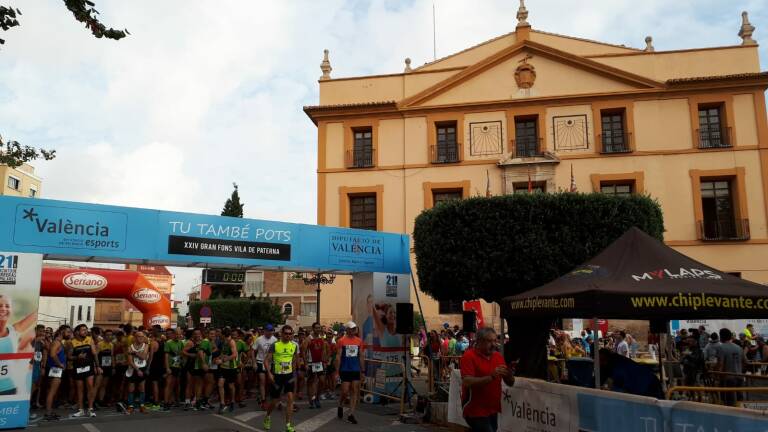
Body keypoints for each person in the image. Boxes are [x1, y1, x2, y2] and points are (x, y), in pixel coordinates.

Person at [460, 327, 514, 432]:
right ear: (479, 342)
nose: (494, 344)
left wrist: (509, 374)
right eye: (489, 341)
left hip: (493, 409)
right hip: (474, 410)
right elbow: (467, 382)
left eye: (495, 340)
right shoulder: (469, 356)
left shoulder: (498, 357)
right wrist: (491, 377)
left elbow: (510, 382)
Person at [263, 325, 298, 432]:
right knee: (275, 401)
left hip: (289, 376)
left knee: (290, 399)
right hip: (277, 376)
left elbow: (294, 361)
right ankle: (268, 416)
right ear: (281, 334)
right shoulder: (275, 345)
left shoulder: (294, 346)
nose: (288, 336)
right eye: (286, 334)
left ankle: (288, 425)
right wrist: (269, 374)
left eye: (290, 334)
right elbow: (266, 361)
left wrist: (294, 374)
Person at [335, 321, 364, 425]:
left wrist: (363, 370)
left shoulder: (359, 341)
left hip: (355, 369)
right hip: (345, 369)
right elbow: (338, 357)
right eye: (351, 329)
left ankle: (351, 414)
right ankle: (340, 404)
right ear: (346, 330)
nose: (353, 330)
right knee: (345, 391)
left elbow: (360, 356)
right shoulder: (341, 341)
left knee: (354, 390)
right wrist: (337, 372)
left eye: (354, 328)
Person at [69, 324, 101, 418]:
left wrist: (98, 366)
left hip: (89, 367)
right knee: (80, 389)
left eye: (86, 330)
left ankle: (90, 409)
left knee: (90, 387)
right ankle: (81, 410)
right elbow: (69, 356)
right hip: (78, 368)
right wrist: (76, 357)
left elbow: (94, 354)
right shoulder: (72, 342)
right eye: (83, 330)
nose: (85, 331)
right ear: (78, 332)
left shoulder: (89, 340)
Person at [44, 325, 71, 422]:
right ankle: (48, 413)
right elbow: (52, 354)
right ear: (62, 331)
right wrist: (60, 364)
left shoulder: (58, 342)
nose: (69, 334)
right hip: (55, 369)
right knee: (52, 392)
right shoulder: (56, 342)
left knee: (52, 391)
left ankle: (49, 411)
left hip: (55, 369)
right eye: (68, 332)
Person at [718, 328, 746, 406]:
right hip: (739, 377)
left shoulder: (721, 347)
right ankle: (741, 416)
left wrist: (718, 376)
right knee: (740, 399)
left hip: (728, 378)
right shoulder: (739, 347)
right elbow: (745, 361)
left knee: (728, 402)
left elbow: (721, 364)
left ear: (721, 336)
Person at [252, 324, 277, 409]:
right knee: (262, 381)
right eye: (268, 330)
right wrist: (254, 362)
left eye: (271, 331)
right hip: (260, 362)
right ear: (265, 331)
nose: (270, 332)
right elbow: (253, 351)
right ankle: (263, 401)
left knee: (269, 382)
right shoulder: (259, 339)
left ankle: (264, 396)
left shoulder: (275, 340)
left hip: (271, 363)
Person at [124, 331, 150, 414]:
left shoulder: (146, 346)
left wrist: (134, 353)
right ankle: (130, 406)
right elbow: (130, 361)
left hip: (142, 368)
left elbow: (144, 357)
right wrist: (137, 370)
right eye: (139, 337)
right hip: (133, 369)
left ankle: (142, 406)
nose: (141, 338)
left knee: (142, 388)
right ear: (135, 337)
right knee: (131, 389)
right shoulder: (130, 347)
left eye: (142, 337)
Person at [304, 322, 328, 409]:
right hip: (311, 363)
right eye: (316, 328)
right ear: (313, 329)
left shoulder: (321, 338)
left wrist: (324, 362)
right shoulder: (308, 339)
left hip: (319, 363)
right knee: (312, 381)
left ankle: (317, 397)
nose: (318, 329)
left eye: (319, 328)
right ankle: (312, 400)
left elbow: (324, 351)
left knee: (322, 381)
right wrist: (306, 363)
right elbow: (303, 351)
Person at [216, 328, 239, 414]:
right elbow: (223, 353)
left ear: (223, 334)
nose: (219, 335)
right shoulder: (223, 342)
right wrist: (218, 358)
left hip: (231, 368)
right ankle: (222, 403)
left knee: (230, 386)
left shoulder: (231, 342)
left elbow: (234, 354)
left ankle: (232, 401)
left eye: (220, 334)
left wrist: (223, 360)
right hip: (223, 368)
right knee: (220, 384)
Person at [164, 328, 184, 410]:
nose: (178, 336)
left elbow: (182, 354)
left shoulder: (180, 342)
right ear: (173, 334)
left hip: (178, 366)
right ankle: (166, 403)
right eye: (176, 334)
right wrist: (167, 367)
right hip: (171, 366)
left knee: (176, 385)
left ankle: (174, 401)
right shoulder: (168, 343)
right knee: (168, 385)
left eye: (179, 334)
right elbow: (166, 356)